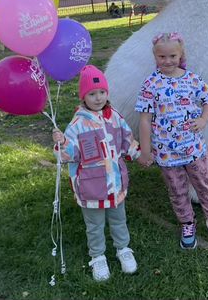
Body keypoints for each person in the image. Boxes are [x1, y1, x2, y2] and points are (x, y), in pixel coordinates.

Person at [136, 32, 208, 250]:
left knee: (206, 186)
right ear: (155, 57)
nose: (167, 61)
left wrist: (203, 119)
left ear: (180, 55)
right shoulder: (151, 84)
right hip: (166, 153)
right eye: (162, 57)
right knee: (177, 191)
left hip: (193, 149)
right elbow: (144, 119)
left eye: (172, 56)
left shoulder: (191, 79)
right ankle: (187, 223)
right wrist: (145, 150)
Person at [52, 65, 142, 281]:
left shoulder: (115, 118)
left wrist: (141, 154)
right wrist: (62, 143)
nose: (98, 97)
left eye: (102, 92)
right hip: (91, 188)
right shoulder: (77, 124)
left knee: (119, 219)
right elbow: (69, 154)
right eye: (92, 94)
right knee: (94, 225)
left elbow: (126, 139)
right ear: (83, 96)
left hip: (115, 184)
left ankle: (123, 249)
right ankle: (98, 256)